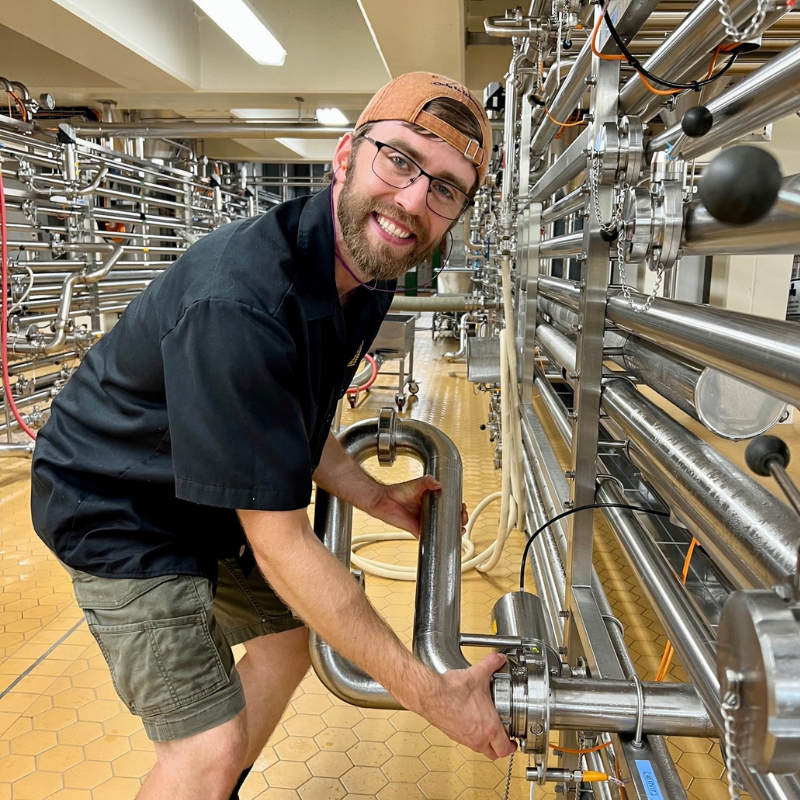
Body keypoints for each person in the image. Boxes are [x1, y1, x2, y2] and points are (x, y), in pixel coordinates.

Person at [30, 72, 515, 800]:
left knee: (290, 642)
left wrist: (375, 499)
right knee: (206, 744)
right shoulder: (245, 302)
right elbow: (282, 545)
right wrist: (430, 693)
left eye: (445, 188)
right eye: (401, 160)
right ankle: (201, 777)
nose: (414, 200)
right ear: (346, 155)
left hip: (202, 487)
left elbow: (286, 420)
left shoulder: (366, 272)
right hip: (116, 505)